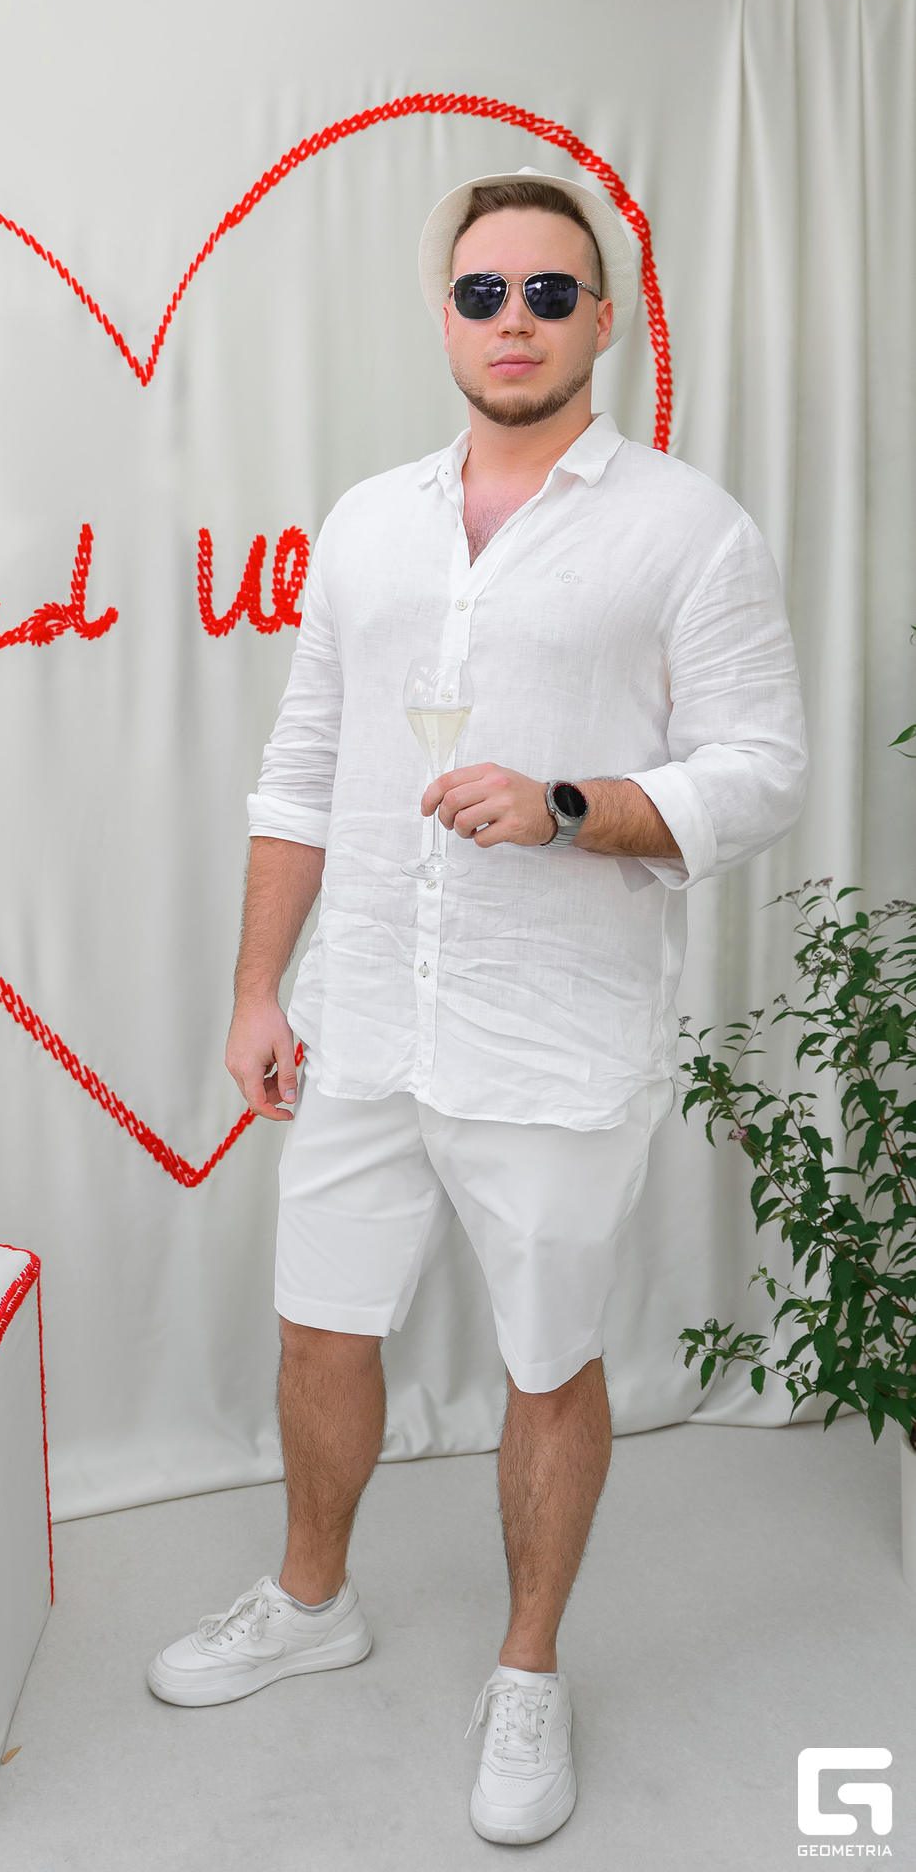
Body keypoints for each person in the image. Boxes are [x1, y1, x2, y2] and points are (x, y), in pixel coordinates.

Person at [146, 166, 808, 1846]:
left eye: (547, 293)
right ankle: (311, 1601)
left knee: (543, 1359)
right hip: (363, 1005)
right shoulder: (367, 521)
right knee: (318, 1325)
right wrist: (256, 988)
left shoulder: (685, 526)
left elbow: (761, 769)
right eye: (482, 292)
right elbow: (302, 768)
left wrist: (571, 804)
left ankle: (526, 1669)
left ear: (603, 319)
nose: (513, 320)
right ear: (443, 316)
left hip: (552, 1029)